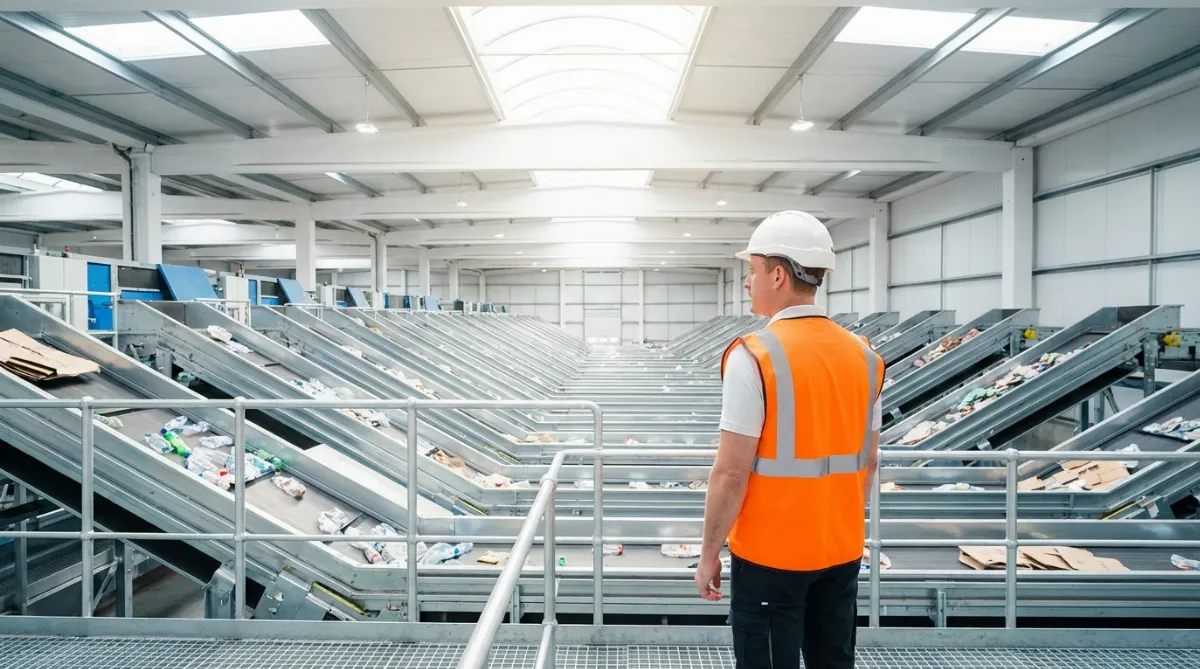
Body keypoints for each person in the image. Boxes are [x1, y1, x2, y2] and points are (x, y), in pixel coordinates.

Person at [694, 210, 884, 669]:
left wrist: (708, 555)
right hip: (840, 551)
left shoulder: (753, 356)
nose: (747, 282)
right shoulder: (865, 357)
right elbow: (869, 462)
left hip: (770, 555)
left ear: (778, 275)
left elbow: (732, 472)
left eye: (752, 270)